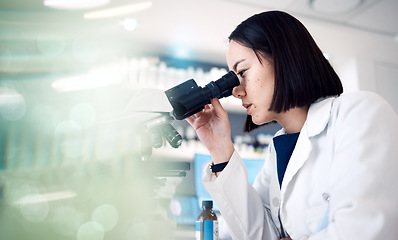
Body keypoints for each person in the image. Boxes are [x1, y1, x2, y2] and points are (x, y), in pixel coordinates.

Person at [186, 11, 398, 240]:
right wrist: (220, 149)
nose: (236, 91)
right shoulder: (277, 152)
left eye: (243, 72)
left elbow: (364, 230)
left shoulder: (359, 113)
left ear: (283, 58)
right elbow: (258, 234)